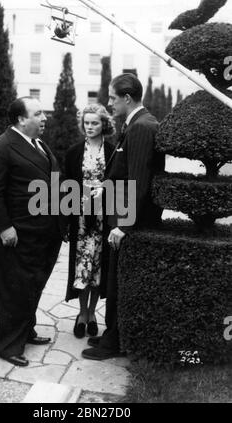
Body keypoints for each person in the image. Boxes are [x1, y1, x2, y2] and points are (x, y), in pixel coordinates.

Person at [82, 73, 165, 360]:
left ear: (127, 98)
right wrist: (104, 191)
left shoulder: (142, 127)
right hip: (121, 214)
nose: (109, 102)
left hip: (129, 221)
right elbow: (124, 173)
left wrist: (125, 226)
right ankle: (110, 335)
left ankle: (114, 343)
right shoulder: (137, 124)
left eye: (112, 97)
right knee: (115, 281)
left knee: (120, 284)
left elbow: (139, 181)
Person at [0, 97, 64, 367]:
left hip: (43, 233)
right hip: (18, 234)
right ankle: (7, 345)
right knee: (14, 290)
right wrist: (4, 228)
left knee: (33, 286)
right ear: (21, 119)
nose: (44, 118)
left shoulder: (39, 145)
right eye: (38, 113)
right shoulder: (0, 147)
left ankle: (25, 331)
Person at [65, 104, 115, 338]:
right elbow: (67, 188)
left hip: (103, 219)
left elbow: (118, 183)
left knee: (97, 268)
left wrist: (105, 190)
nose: (90, 127)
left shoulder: (113, 151)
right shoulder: (74, 152)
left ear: (103, 124)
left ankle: (93, 314)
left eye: (94, 122)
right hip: (81, 220)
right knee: (81, 268)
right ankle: (82, 314)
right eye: (86, 123)